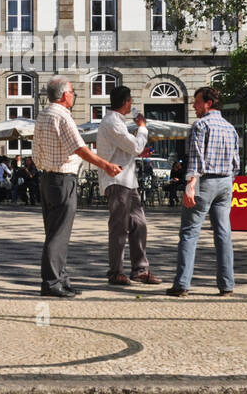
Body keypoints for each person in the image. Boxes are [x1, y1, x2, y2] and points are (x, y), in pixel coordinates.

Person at [34, 76, 120, 298]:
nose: (73, 96)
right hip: (63, 179)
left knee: (54, 232)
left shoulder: (43, 114)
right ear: (64, 95)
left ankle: (61, 279)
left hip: (47, 179)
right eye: (72, 92)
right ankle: (52, 283)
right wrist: (106, 164)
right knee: (58, 234)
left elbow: (36, 151)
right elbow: (79, 148)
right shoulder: (63, 116)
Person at [169, 85, 240, 297]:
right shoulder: (230, 127)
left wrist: (191, 185)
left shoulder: (200, 125)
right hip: (226, 182)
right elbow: (236, 162)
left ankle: (182, 284)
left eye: (197, 102)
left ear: (208, 103)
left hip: (205, 181)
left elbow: (196, 158)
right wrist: (229, 181)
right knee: (223, 233)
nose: (194, 105)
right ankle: (226, 285)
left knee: (189, 232)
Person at [97, 86, 161, 286]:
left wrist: (136, 152)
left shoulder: (118, 123)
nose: (132, 104)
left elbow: (128, 150)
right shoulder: (112, 122)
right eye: (131, 101)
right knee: (119, 227)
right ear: (126, 102)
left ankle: (140, 269)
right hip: (117, 181)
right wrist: (142, 127)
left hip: (128, 181)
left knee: (139, 224)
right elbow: (134, 145)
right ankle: (116, 271)